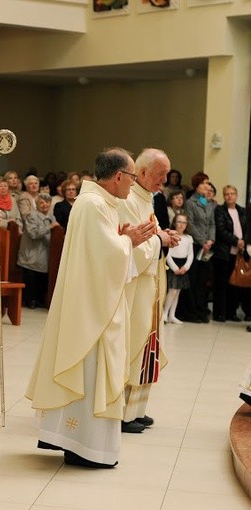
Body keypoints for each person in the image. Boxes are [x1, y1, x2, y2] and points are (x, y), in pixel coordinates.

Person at [26, 147, 155, 468]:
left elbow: (104, 248)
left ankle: (75, 439)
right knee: (91, 368)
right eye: (132, 177)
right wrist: (130, 242)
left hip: (96, 302)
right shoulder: (93, 204)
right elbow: (106, 256)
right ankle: (84, 445)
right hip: (91, 309)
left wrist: (123, 238)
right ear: (119, 177)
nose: (133, 184)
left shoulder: (101, 203)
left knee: (92, 370)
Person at [117, 148, 178, 434]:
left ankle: (136, 409)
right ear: (141, 172)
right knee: (133, 343)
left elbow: (149, 236)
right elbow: (136, 246)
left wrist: (161, 236)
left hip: (150, 282)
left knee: (146, 344)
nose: (163, 181)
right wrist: (160, 237)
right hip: (135, 285)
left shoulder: (147, 198)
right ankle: (122, 412)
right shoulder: (129, 199)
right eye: (159, 175)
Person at [182, 173, 215, 323]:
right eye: (204, 183)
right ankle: (192, 310)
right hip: (195, 245)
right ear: (197, 186)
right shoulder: (190, 202)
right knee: (193, 280)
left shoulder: (208, 202)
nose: (207, 186)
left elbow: (212, 223)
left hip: (207, 246)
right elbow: (191, 225)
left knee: (203, 280)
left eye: (208, 183)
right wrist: (203, 241)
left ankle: (202, 309)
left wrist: (211, 240)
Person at [212, 185, 247, 322]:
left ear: (237, 195)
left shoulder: (242, 211)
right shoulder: (219, 211)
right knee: (221, 284)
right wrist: (236, 241)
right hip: (223, 252)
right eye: (227, 194)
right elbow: (221, 230)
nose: (230, 196)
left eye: (232, 193)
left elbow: (246, 228)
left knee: (235, 284)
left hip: (239, 253)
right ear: (224, 196)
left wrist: (243, 241)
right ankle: (219, 313)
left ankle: (231, 312)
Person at [17, 193, 58, 309]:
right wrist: (49, 227)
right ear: (36, 205)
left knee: (41, 280)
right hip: (31, 254)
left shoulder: (51, 216)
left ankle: (38, 300)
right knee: (31, 280)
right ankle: (30, 301)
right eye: (41, 202)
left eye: (47, 202)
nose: (45, 205)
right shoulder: (32, 215)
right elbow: (33, 233)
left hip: (43, 255)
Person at [163, 213, 193, 324]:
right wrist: (175, 268)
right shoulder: (171, 236)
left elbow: (191, 255)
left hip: (182, 265)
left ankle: (172, 315)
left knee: (177, 292)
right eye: (179, 222)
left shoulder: (189, 238)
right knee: (172, 290)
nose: (181, 225)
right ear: (174, 223)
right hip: (173, 265)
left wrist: (185, 267)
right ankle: (164, 314)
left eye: (184, 222)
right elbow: (168, 254)